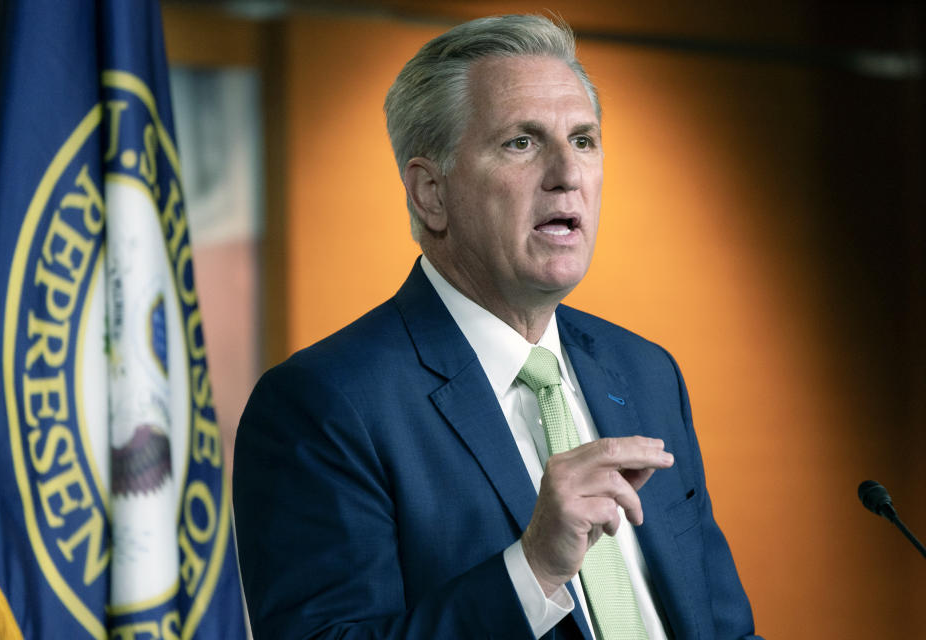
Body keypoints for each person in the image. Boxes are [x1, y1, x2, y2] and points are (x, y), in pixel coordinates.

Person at [233, 14, 761, 640]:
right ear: (431, 193)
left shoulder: (646, 373)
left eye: (584, 140)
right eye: (523, 142)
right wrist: (531, 569)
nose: (568, 174)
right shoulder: (325, 404)